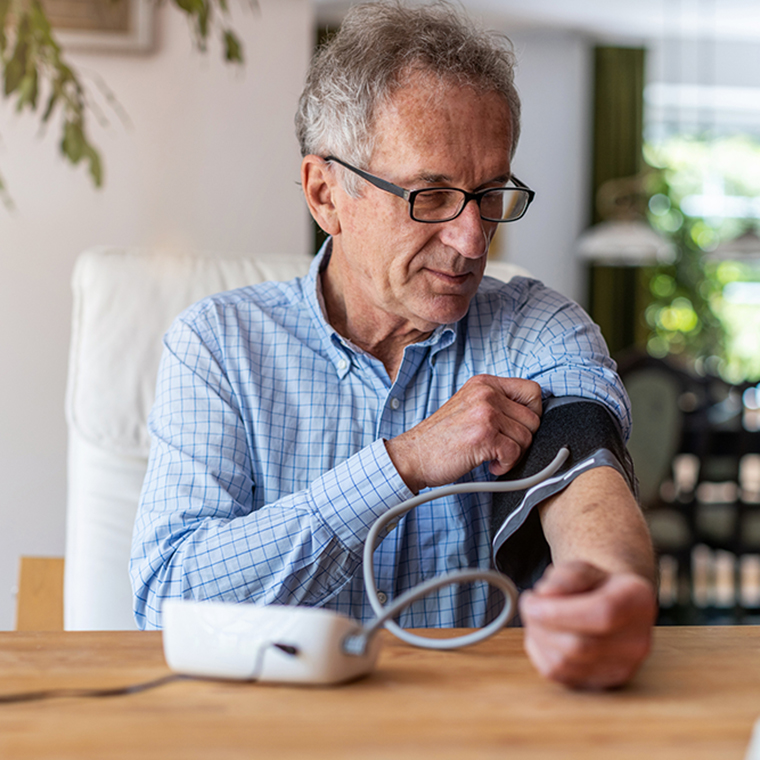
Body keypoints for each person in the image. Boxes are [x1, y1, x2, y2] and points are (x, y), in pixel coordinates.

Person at [130, 0, 657, 689]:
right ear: (325, 194)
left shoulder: (539, 327)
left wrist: (610, 587)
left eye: (491, 192)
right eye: (430, 196)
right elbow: (166, 606)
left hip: (476, 731)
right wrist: (402, 463)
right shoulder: (219, 347)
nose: (474, 241)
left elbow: (588, 476)